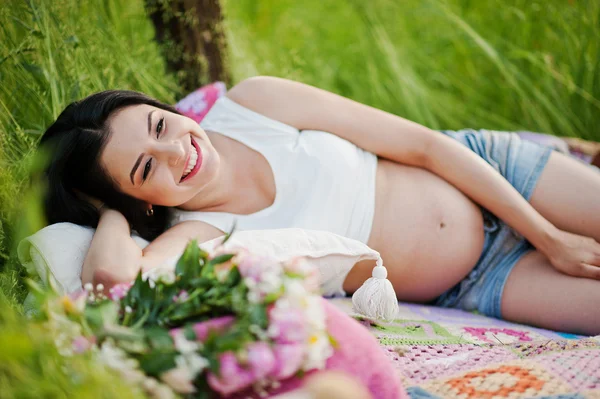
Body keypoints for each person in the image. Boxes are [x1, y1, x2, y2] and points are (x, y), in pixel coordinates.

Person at [39, 76, 600, 335]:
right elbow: (115, 277)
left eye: (159, 124)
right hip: (481, 280)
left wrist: (550, 236)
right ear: (138, 200)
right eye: (144, 169)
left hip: (498, 174)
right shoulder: (198, 235)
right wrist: (109, 208)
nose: (174, 151)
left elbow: (426, 144)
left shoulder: (254, 105)